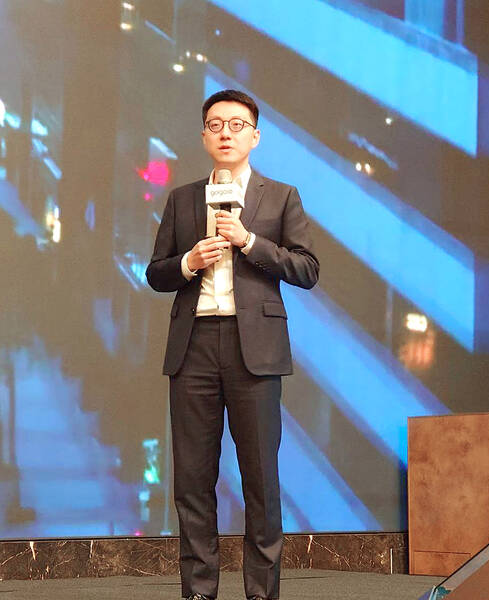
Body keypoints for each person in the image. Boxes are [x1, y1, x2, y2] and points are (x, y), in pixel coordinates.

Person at [146, 89, 319, 600]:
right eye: (216, 125)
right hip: (194, 344)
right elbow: (156, 273)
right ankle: (199, 589)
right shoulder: (181, 198)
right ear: (204, 135)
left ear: (255, 136)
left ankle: (261, 591)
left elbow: (307, 268)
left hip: (255, 350)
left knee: (260, 477)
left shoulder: (281, 196)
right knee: (192, 478)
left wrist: (249, 242)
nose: (226, 133)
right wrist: (188, 262)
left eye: (237, 125)